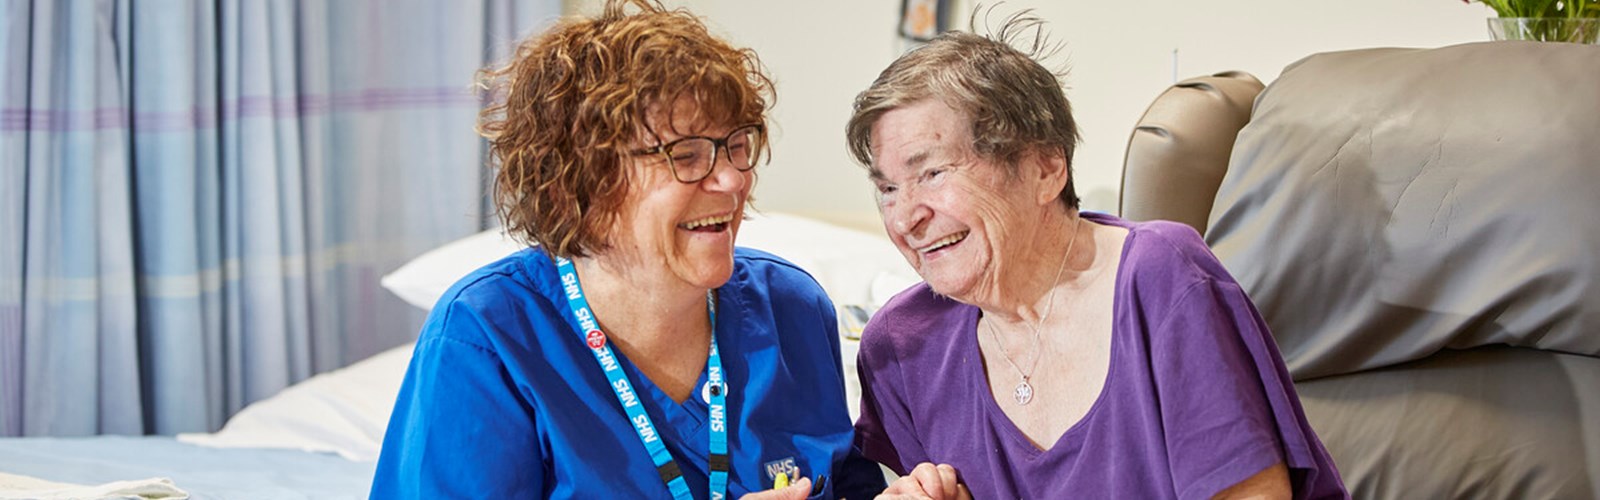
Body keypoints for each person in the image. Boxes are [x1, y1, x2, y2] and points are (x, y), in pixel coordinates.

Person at [370, 1, 885, 498]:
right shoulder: (487, 337)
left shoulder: (791, 309)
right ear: (577, 185)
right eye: (685, 155)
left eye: (736, 145)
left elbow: (850, 485)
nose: (732, 179)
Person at [842, 12, 1349, 500]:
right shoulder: (901, 348)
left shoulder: (1159, 278)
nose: (905, 218)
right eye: (888, 188)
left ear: (1044, 168)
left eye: (932, 173)